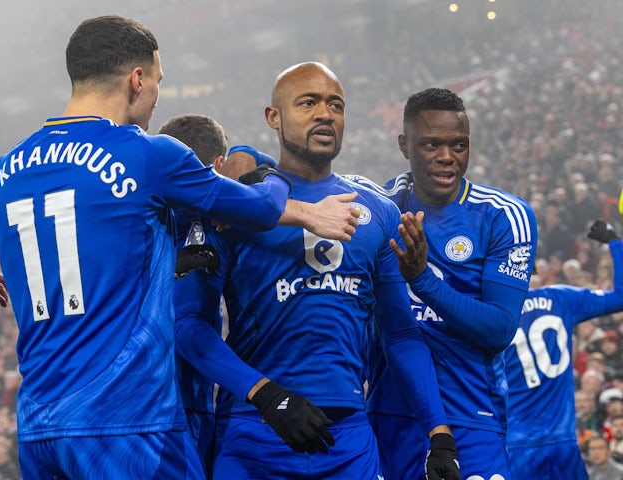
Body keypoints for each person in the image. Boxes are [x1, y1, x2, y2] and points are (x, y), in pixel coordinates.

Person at [0, 17, 360, 480]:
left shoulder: (6, 171)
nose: (156, 98)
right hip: (125, 425)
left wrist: (168, 262)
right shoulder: (147, 153)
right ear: (137, 79)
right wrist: (267, 171)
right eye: (158, 82)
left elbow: (94, 251)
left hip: (38, 426)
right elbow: (262, 208)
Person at [173, 62, 460, 480]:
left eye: (336, 105)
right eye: (308, 102)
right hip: (255, 434)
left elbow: (399, 333)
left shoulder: (376, 211)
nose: (325, 113)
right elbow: (189, 325)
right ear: (274, 117)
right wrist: (265, 394)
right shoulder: (233, 206)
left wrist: (439, 433)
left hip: (348, 441)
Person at [348, 87, 537, 479]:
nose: (447, 157)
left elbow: (500, 328)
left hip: (470, 417)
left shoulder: (503, 216)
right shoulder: (382, 208)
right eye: (431, 144)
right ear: (405, 145)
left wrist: (423, 282)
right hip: (388, 418)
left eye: (459, 145)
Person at [157, 113, 276, 477]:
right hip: (175, 408)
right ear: (218, 166)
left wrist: (248, 158)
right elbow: (185, 326)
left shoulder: (142, 209)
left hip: (151, 404)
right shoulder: (200, 221)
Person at [504, 219, 623, 479]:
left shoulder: (490, 314)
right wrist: (615, 243)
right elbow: (620, 296)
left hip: (517, 445)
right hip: (562, 442)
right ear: (532, 268)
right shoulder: (561, 298)